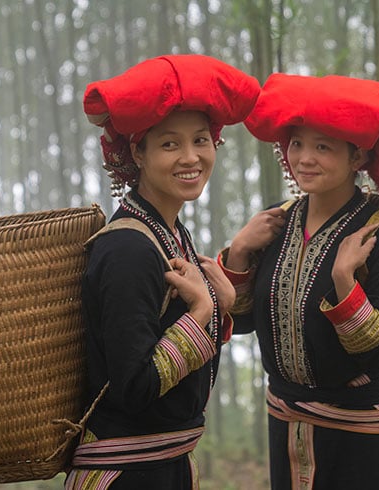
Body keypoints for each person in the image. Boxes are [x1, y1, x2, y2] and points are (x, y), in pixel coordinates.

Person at [218, 73, 379, 489]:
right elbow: (241, 322)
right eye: (297, 143)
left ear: (358, 158)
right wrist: (239, 252)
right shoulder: (277, 221)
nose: (305, 158)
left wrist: (344, 281)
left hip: (361, 442)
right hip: (288, 429)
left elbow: (378, 351)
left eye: (323, 147)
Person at [64, 54, 260, 490]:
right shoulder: (127, 248)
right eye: (170, 144)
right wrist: (204, 309)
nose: (191, 157)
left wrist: (221, 305)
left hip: (162, 468)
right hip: (127, 475)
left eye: (201, 140)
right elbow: (133, 387)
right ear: (138, 152)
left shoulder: (170, 231)